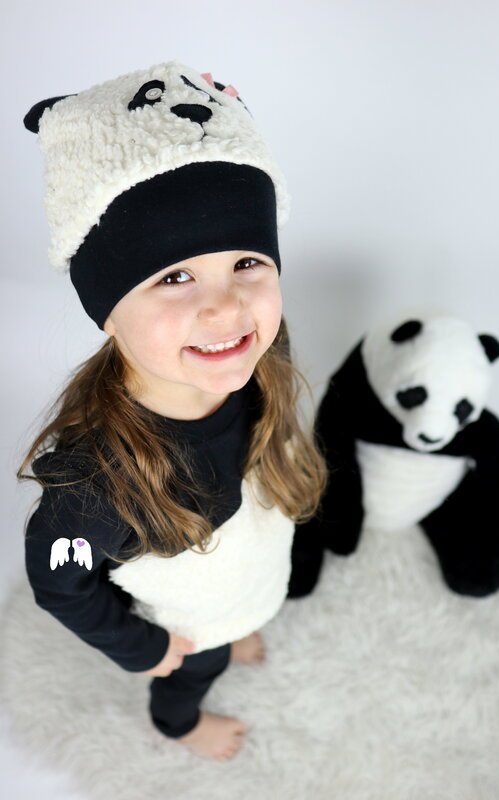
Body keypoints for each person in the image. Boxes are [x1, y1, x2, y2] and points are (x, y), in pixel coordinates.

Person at [18, 56, 328, 762]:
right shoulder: (92, 486)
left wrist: (237, 612)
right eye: (176, 275)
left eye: (247, 263)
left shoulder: (260, 365)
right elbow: (61, 586)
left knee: (232, 620)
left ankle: (234, 627)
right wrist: (149, 648)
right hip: (186, 626)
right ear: (108, 312)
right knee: (198, 668)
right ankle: (178, 723)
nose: (225, 306)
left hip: (241, 580)